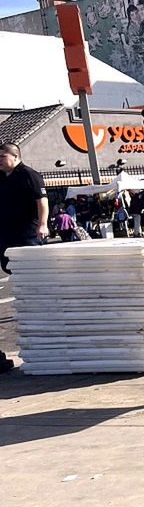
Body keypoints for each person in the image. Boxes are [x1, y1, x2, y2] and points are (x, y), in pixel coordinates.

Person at [0, 142, 49, 373]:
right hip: (6, 235)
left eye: (2, 156)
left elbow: (42, 203)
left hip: (27, 234)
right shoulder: (2, 178)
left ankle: (39, 313)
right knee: (14, 275)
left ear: (14, 156)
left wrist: (42, 225)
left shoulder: (29, 175)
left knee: (34, 277)